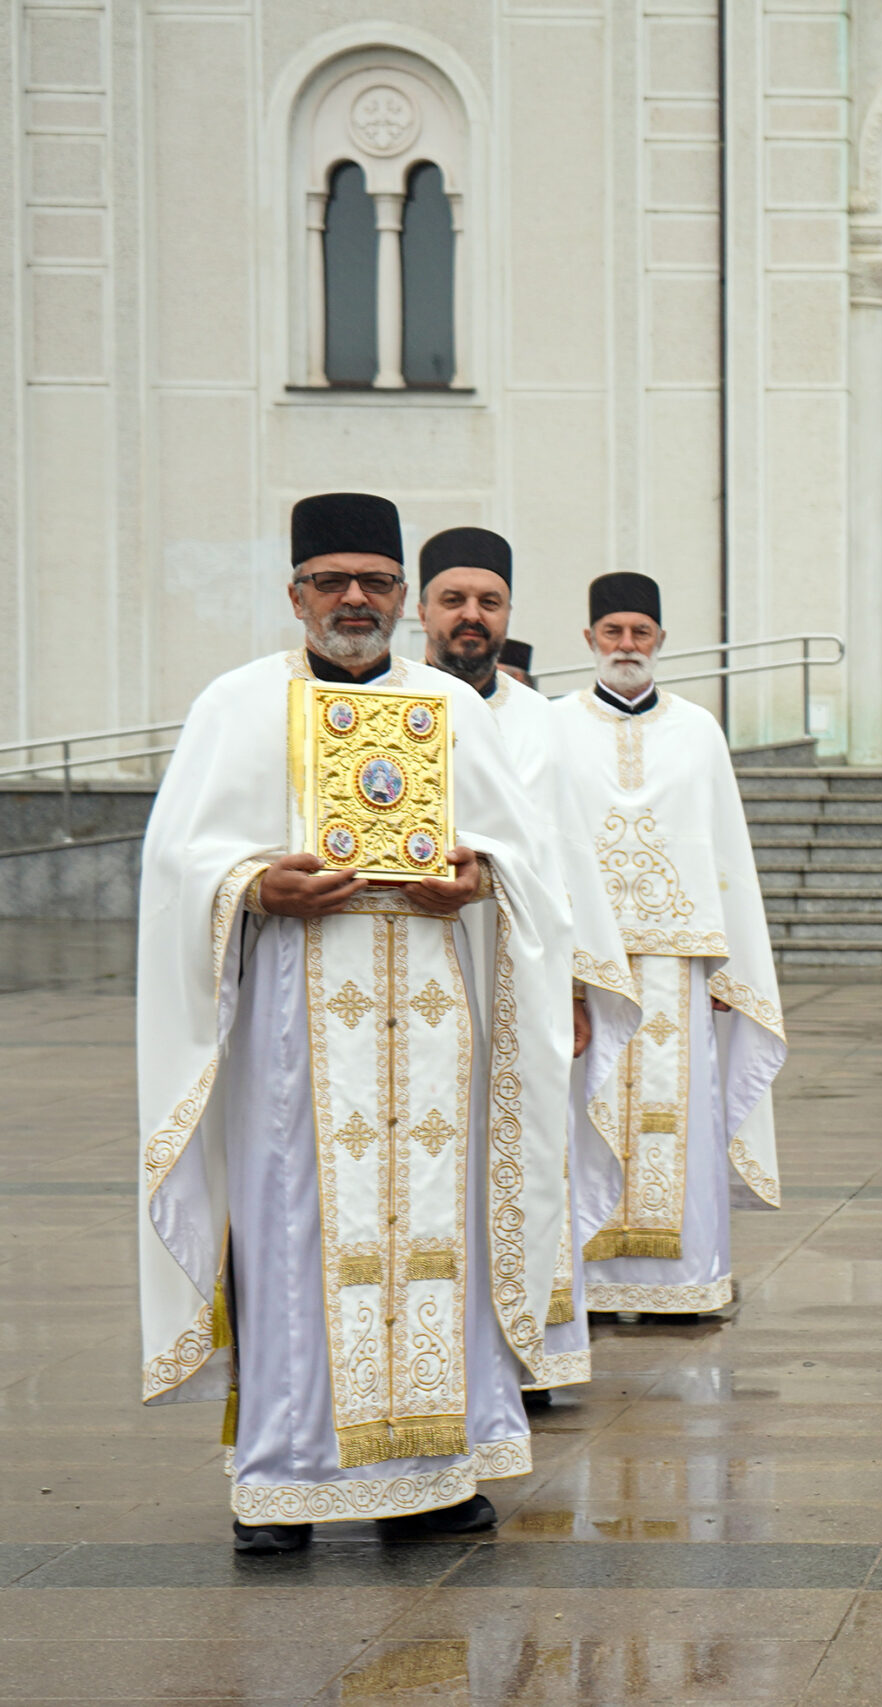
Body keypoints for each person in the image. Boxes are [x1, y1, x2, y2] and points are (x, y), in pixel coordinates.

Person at [136, 492, 579, 1553]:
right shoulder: (236, 704)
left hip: (433, 1021)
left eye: (375, 582)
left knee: (439, 1230)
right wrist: (253, 883)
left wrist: (476, 877)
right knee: (291, 1233)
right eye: (331, 580)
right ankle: (284, 1477)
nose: (354, 599)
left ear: (401, 597)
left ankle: (432, 1476)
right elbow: (177, 863)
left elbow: (527, 862)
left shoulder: (452, 707)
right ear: (295, 593)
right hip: (292, 1020)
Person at [417, 526, 641, 1402]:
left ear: (509, 613)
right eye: (454, 599)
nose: (472, 615)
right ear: (423, 609)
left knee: (530, 1153)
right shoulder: (394, 707)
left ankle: (530, 1351)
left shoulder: (544, 724)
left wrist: (580, 987)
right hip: (416, 971)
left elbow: (567, 855)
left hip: (524, 973)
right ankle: (443, 1352)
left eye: (490, 601)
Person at [550, 572, 787, 1318]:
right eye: (613, 632)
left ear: (660, 640)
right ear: (589, 638)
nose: (626, 645)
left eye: (640, 632)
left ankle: (680, 1284)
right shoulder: (553, 726)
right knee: (580, 1113)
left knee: (678, 1120)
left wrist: (729, 964)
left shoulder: (698, 729)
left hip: (677, 967)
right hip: (585, 965)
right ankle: (587, 1285)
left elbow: (726, 851)